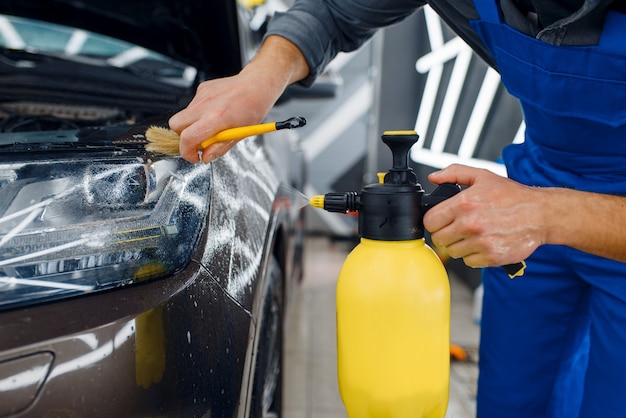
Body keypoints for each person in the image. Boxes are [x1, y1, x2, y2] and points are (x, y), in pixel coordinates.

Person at [169, 1, 626, 416]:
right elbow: (332, 12)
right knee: (509, 402)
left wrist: (548, 215)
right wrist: (258, 80)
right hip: (531, 188)